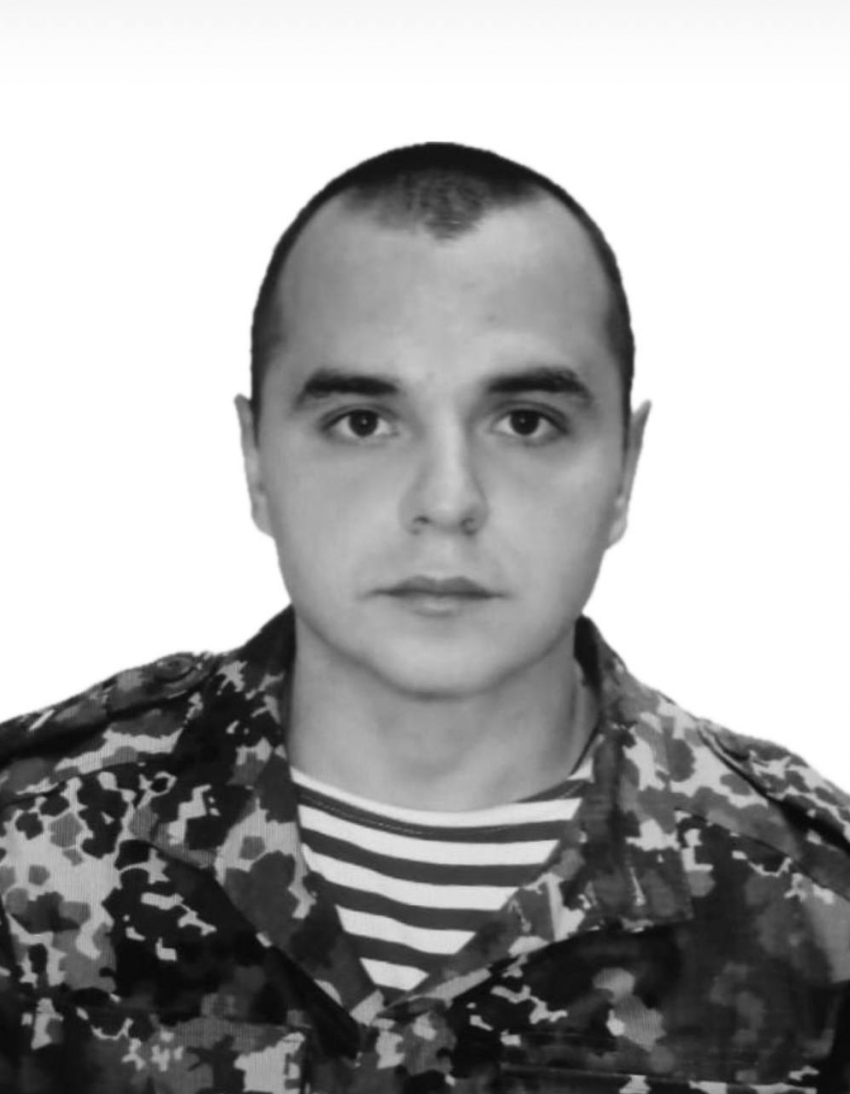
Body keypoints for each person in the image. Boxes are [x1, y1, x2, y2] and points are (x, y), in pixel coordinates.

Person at [0, 142, 847, 1094]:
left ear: (625, 470)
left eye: (526, 421)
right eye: (363, 421)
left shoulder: (819, 910)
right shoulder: (26, 844)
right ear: (256, 462)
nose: (448, 501)